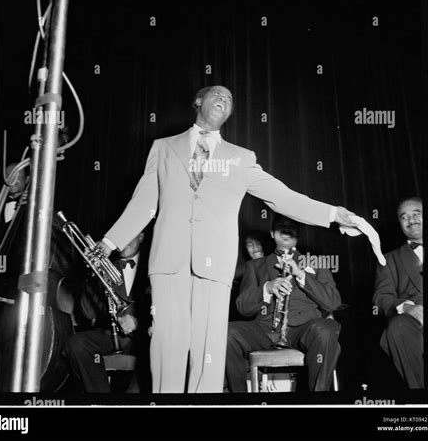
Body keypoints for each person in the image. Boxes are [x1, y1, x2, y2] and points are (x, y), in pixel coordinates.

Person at [95, 85, 356, 393]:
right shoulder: (163, 147)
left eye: (230, 99)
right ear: (198, 101)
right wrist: (109, 242)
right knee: (167, 345)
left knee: (210, 350)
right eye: (217, 94)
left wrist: (331, 213)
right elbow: (143, 203)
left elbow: (282, 197)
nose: (224, 100)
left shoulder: (241, 158)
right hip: (169, 262)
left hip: (214, 266)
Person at [225, 215, 341, 392]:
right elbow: (243, 307)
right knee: (227, 333)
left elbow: (332, 302)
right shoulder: (255, 266)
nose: (286, 233)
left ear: (298, 235)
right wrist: (267, 288)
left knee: (325, 330)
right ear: (272, 234)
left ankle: (319, 402)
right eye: (281, 228)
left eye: (291, 229)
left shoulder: (316, 263)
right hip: (264, 331)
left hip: (304, 329)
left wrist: (302, 276)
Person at [62, 233, 144, 393]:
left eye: (129, 234)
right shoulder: (106, 265)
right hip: (110, 336)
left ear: (141, 236)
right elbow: (88, 313)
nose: (124, 240)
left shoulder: (153, 265)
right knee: (76, 344)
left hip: (144, 337)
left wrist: (137, 322)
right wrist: (92, 274)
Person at [373, 197, 424, 389]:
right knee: (398, 326)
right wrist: (407, 307)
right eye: (404, 217)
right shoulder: (388, 260)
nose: (411, 220)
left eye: (416, 214)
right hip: (414, 323)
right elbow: (381, 298)